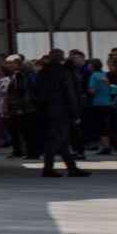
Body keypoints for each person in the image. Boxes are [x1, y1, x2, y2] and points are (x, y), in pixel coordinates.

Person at [33, 50, 89, 178]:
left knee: (63, 141)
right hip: (61, 111)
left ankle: (72, 168)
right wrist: (75, 114)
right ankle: (48, 167)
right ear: (62, 58)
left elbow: (37, 93)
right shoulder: (64, 73)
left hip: (45, 110)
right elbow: (69, 94)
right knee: (56, 140)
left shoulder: (42, 73)